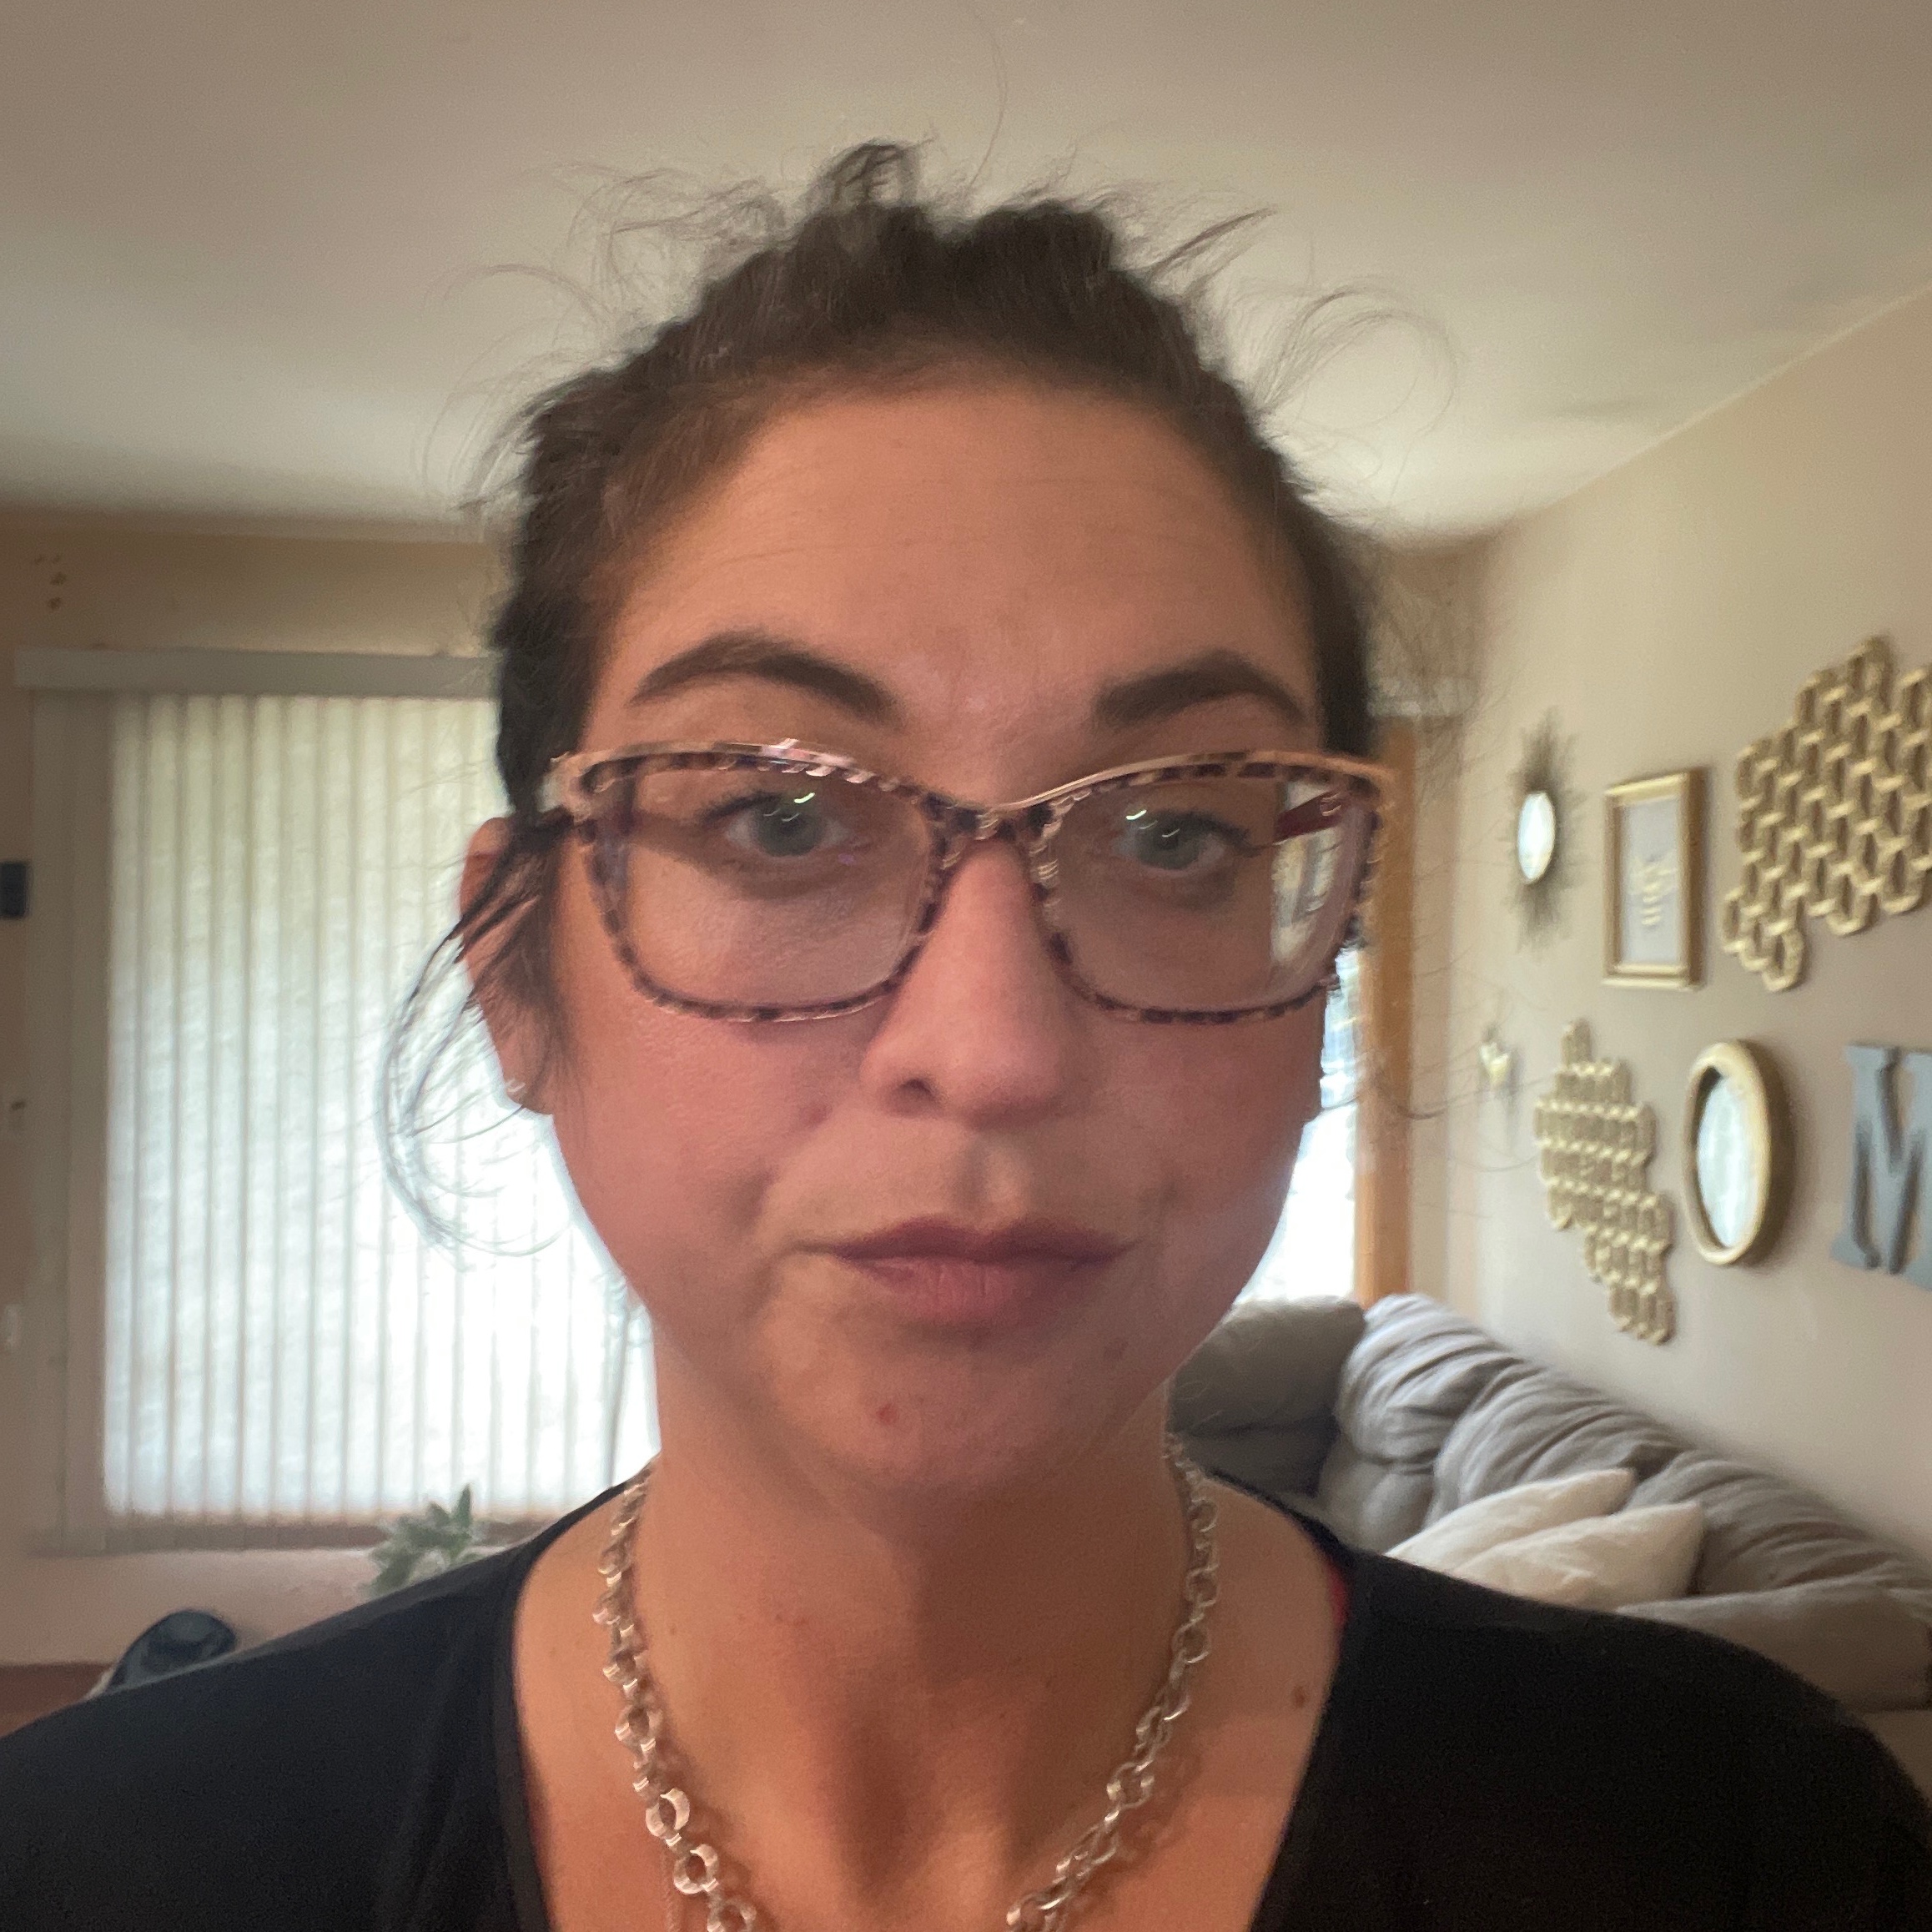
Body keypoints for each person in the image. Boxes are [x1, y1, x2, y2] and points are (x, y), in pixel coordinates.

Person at [2, 143, 1926, 1932]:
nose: (996, 1050)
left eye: (1175, 834)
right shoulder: (103, 1870)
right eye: (779, 819)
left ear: (1320, 977)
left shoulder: (1743, 1847)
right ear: (520, 975)